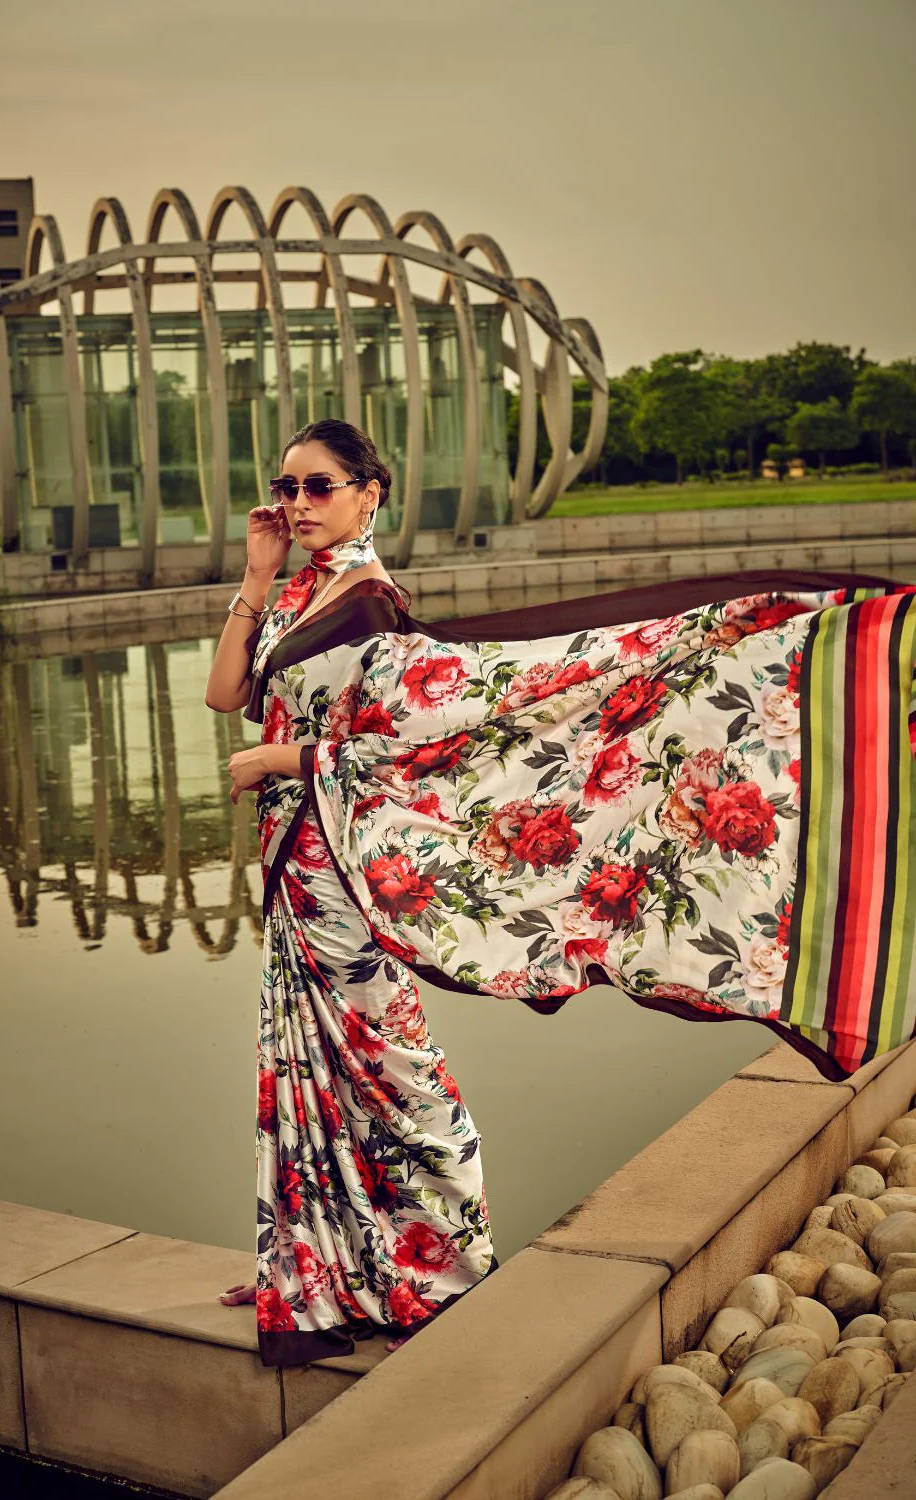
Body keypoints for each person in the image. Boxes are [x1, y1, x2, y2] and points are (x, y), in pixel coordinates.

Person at [205, 418, 916, 1368]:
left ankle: (451, 1259)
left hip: (345, 860)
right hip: (293, 861)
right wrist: (254, 582)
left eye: (318, 486)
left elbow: (431, 741)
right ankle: (313, 1259)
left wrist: (286, 757)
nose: (296, 505)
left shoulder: (372, 604)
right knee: (304, 1062)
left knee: (388, 1057)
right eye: (284, 488)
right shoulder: (298, 593)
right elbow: (223, 693)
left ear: (372, 492)